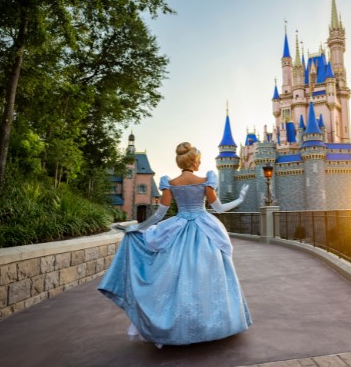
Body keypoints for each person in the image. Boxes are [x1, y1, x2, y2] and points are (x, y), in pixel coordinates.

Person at [98, 142, 252, 347]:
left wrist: (138, 227)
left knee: (175, 277)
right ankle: (211, 324)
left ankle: (177, 325)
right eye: (198, 160)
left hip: (178, 229)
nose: (200, 163)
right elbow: (219, 208)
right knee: (208, 276)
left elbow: (158, 215)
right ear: (194, 162)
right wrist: (240, 199)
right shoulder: (206, 181)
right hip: (205, 230)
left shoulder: (170, 183)